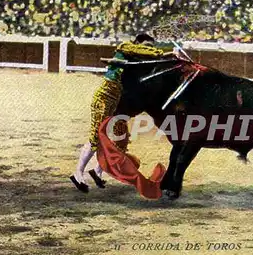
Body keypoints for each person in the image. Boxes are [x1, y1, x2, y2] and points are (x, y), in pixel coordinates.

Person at [70, 33, 176, 193]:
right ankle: (78, 172)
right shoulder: (125, 47)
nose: (149, 49)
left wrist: (170, 56)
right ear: (137, 43)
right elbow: (149, 54)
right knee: (95, 137)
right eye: (146, 45)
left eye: (151, 47)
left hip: (117, 102)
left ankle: (98, 171)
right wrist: (161, 53)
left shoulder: (138, 60)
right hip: (103, 98)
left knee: (121, 138)